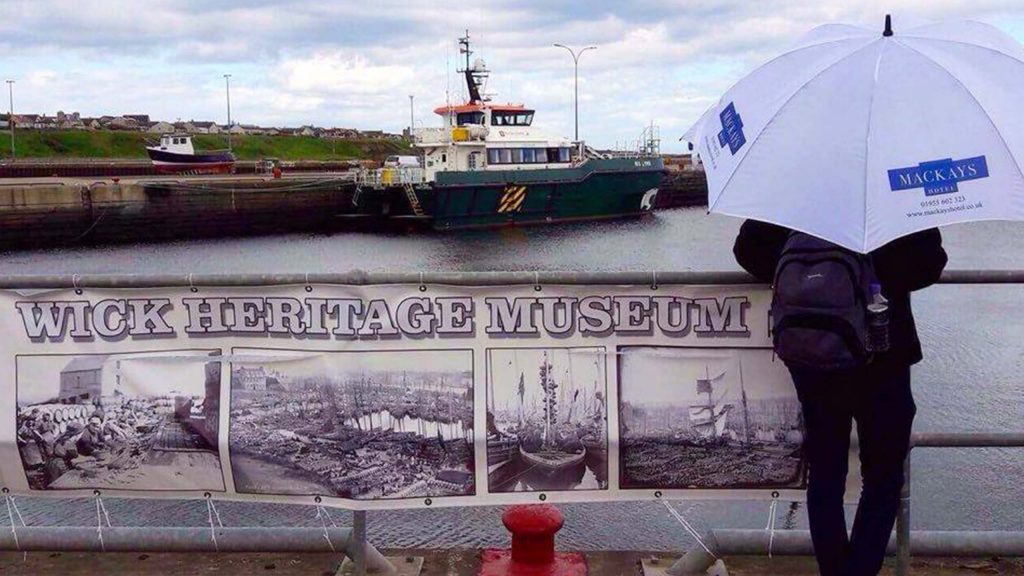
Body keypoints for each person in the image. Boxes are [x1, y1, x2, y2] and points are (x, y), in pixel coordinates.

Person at [734, 220, 947, 576]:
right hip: (884, 352)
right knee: (882, 476)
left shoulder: (793, 183)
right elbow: (929, 263)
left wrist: (814, 278)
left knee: (826, 472)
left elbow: (748, 252)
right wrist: (875, 276)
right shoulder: (888, 190)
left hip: (813, 353)